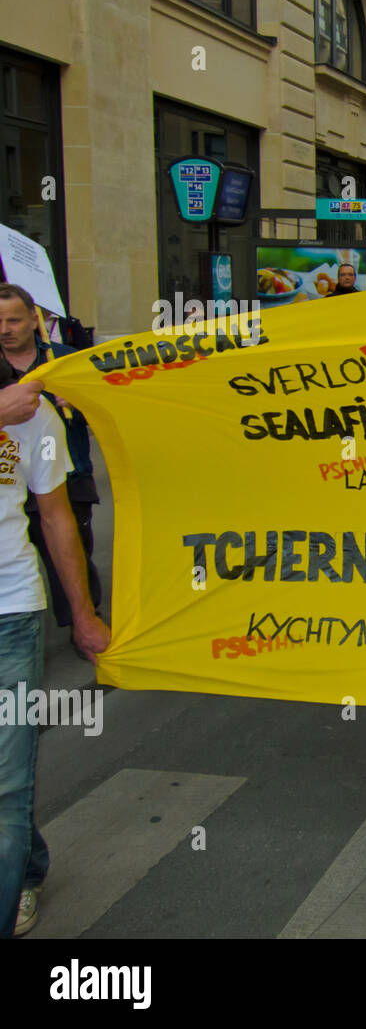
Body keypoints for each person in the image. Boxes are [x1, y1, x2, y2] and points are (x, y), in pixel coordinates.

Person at [0, 360, 111, 937]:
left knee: (6, 779)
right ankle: (26, 860)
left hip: (10, 614)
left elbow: (56, 516)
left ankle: (14, 880)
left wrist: (84, 615)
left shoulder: (33, 413)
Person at [0, 284, 103, 649]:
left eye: (13, 320)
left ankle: (81, 623)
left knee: (70, 548)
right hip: (13, 482)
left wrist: (82, 402)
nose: (5, 329)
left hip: (67, 475)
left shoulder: (67, 359)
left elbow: (106, 414)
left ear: (35, 318)